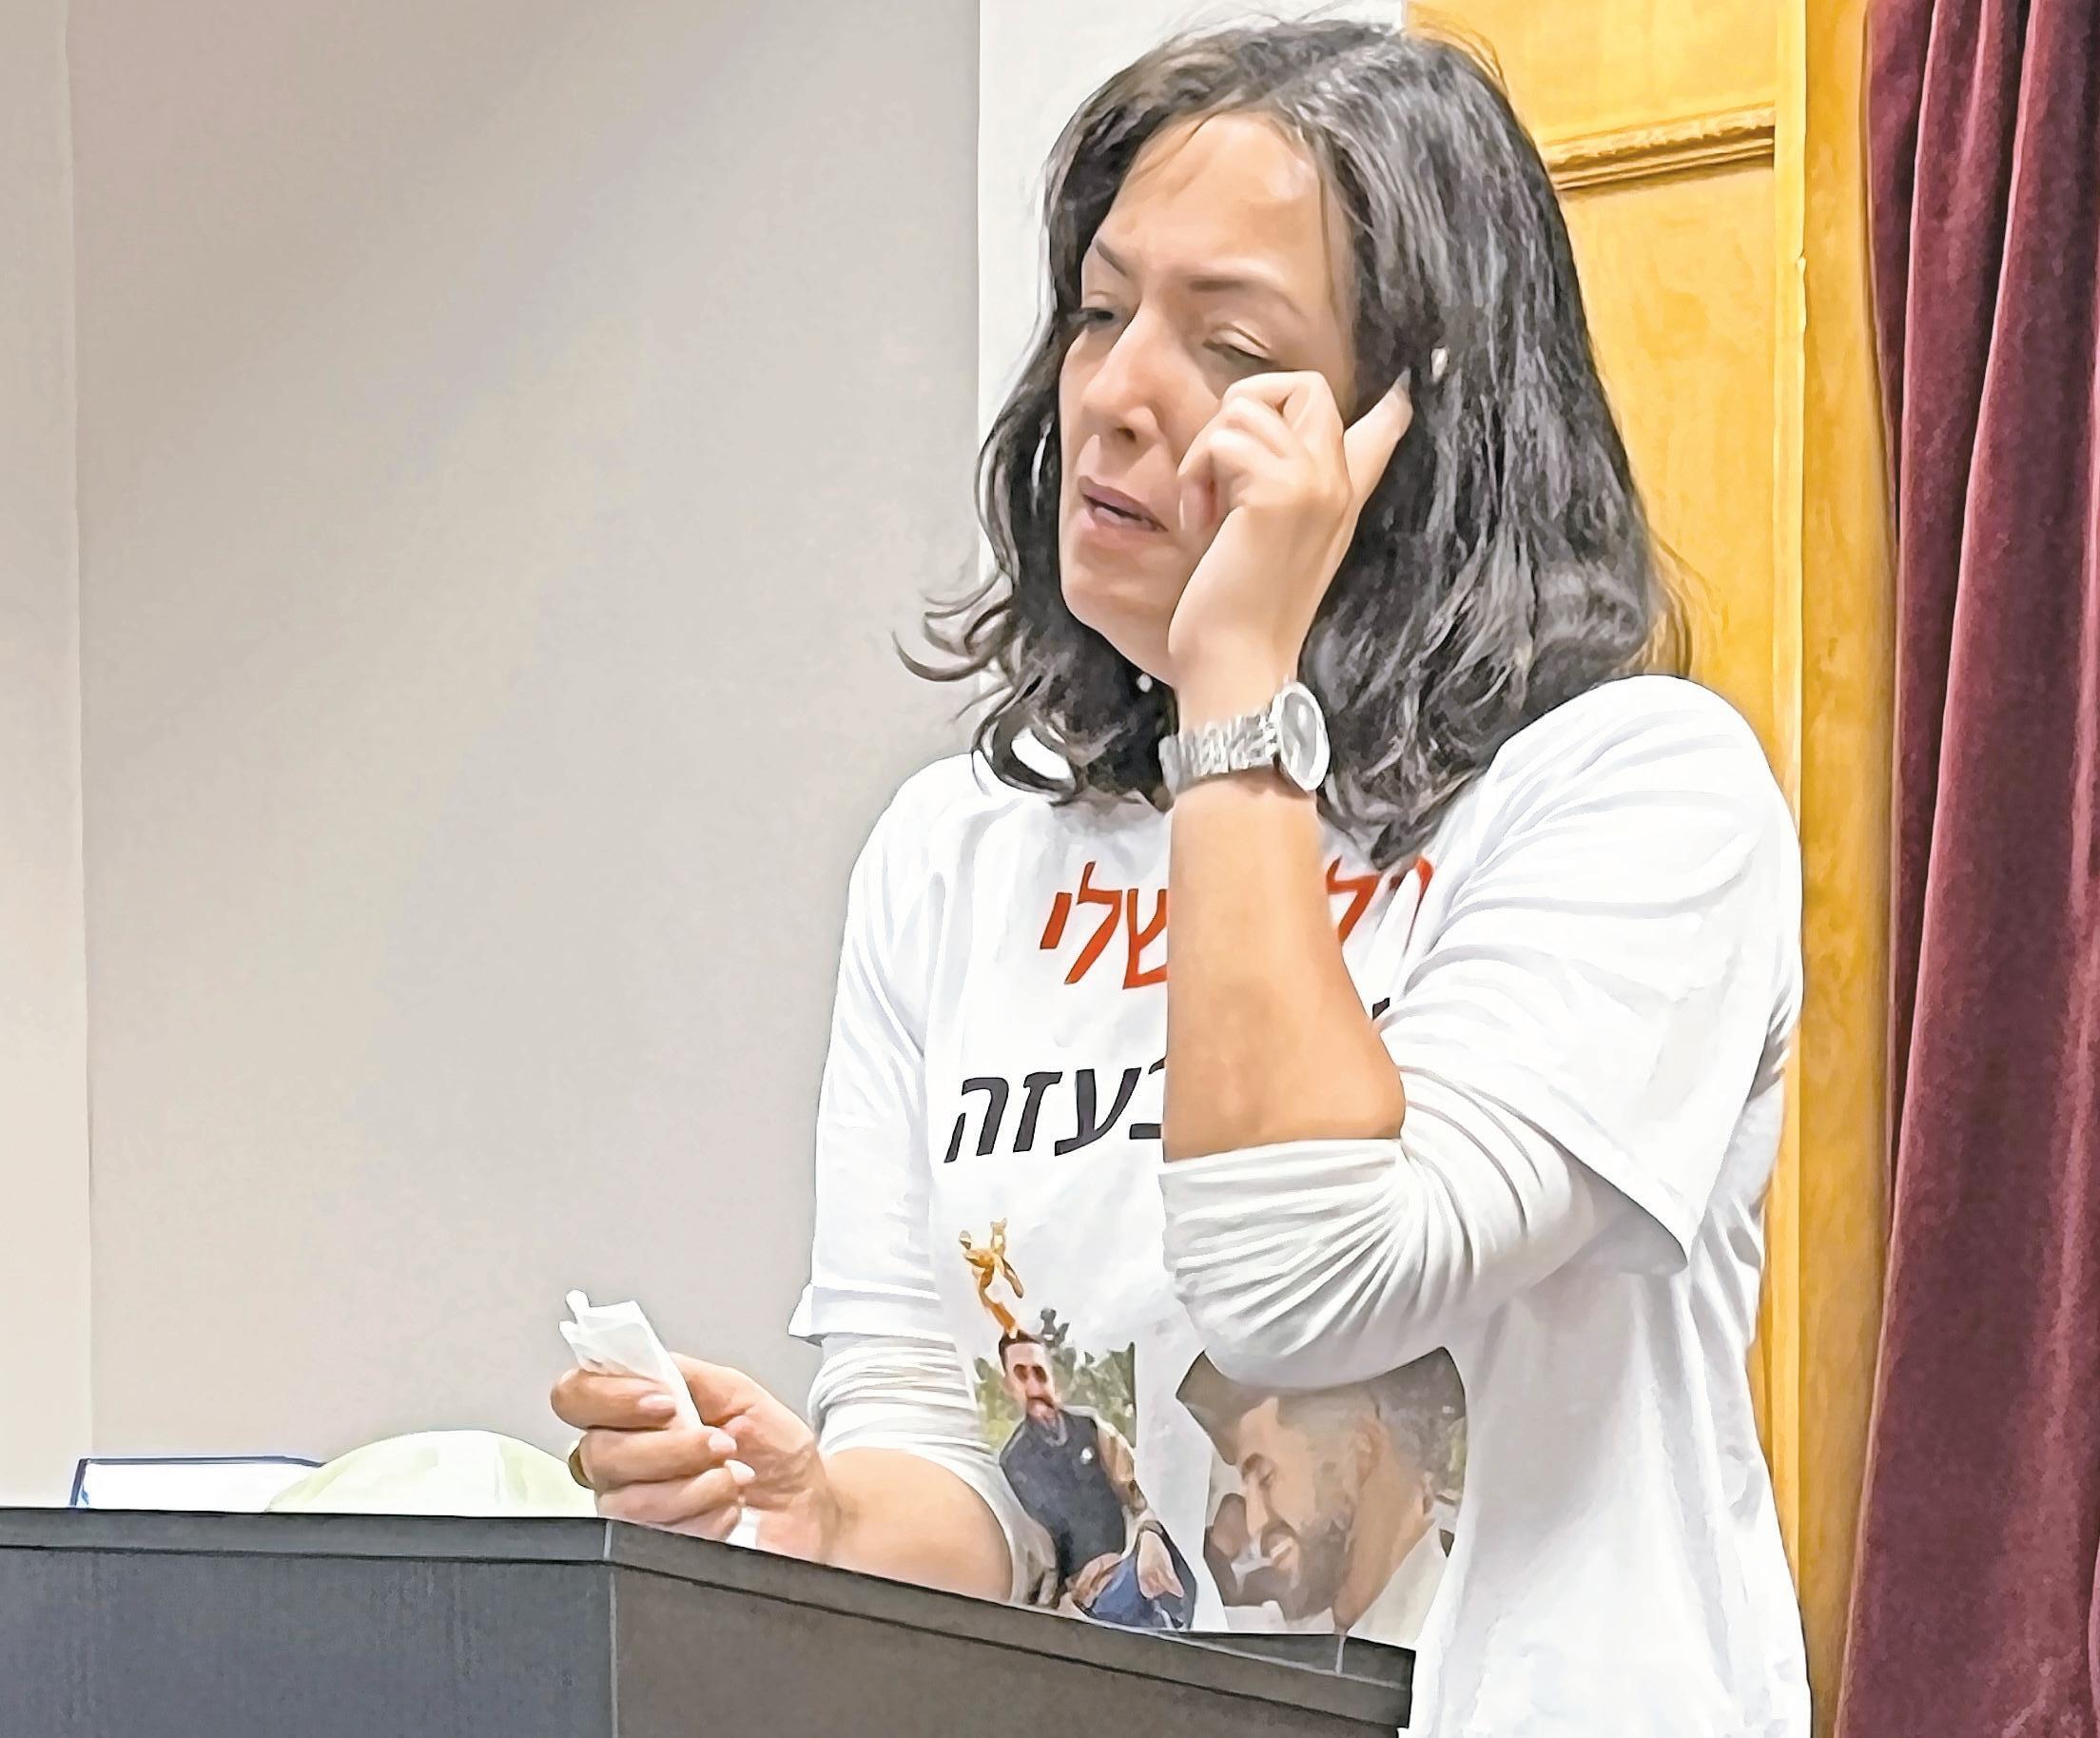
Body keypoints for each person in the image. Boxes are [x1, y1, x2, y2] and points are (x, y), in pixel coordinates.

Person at [554, 21, 1808, 1735]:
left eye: (1228, 345)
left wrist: (1236, 690)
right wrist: (817, 1519)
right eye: (1098, 309)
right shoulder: (952, 854)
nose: (1115, 393)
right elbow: (967, 1473)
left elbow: (1304, 1280)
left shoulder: (1633, 793)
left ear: (1410, 426)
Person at [1181, 1357, 1455, 1646]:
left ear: (1360, 1449)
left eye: (1266, 1478)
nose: (1255, 1524)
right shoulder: (1301, 1636)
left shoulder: (1452, 1641)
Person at [993, 1331, 1192, 1628]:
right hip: (1084, 1603)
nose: (1034, 1386)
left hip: (1132, 1566)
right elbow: (1030, 1569)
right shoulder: (1011, 1466)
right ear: (1009, 1385)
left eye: (1039, 1373)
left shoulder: (1093, 1430)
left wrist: (1149, 1535)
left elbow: (1142, 1496)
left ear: (1053, 1377)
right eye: (1021, 1375)